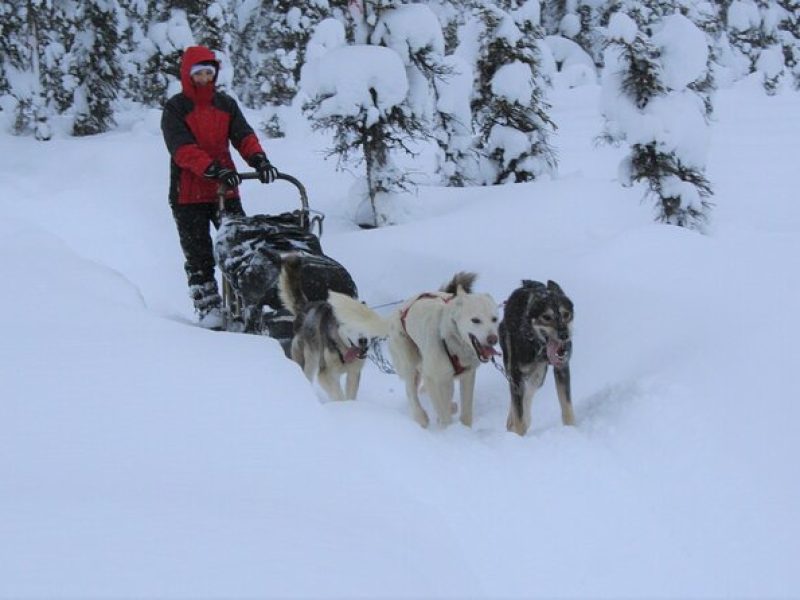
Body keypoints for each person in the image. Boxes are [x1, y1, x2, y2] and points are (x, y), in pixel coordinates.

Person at [161, 45, 279, 329]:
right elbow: (182, 149)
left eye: (208, 73)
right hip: (188, 194)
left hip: (226, 191)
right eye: (198, 74)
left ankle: (245, 303)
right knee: (199, 254)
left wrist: (259, 160)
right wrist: (213, 169)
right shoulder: (176, 108)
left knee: (239, 248)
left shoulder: (225, 104)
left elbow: (243, 135)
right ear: (188, 76)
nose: (203, 78)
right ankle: (209, 307)